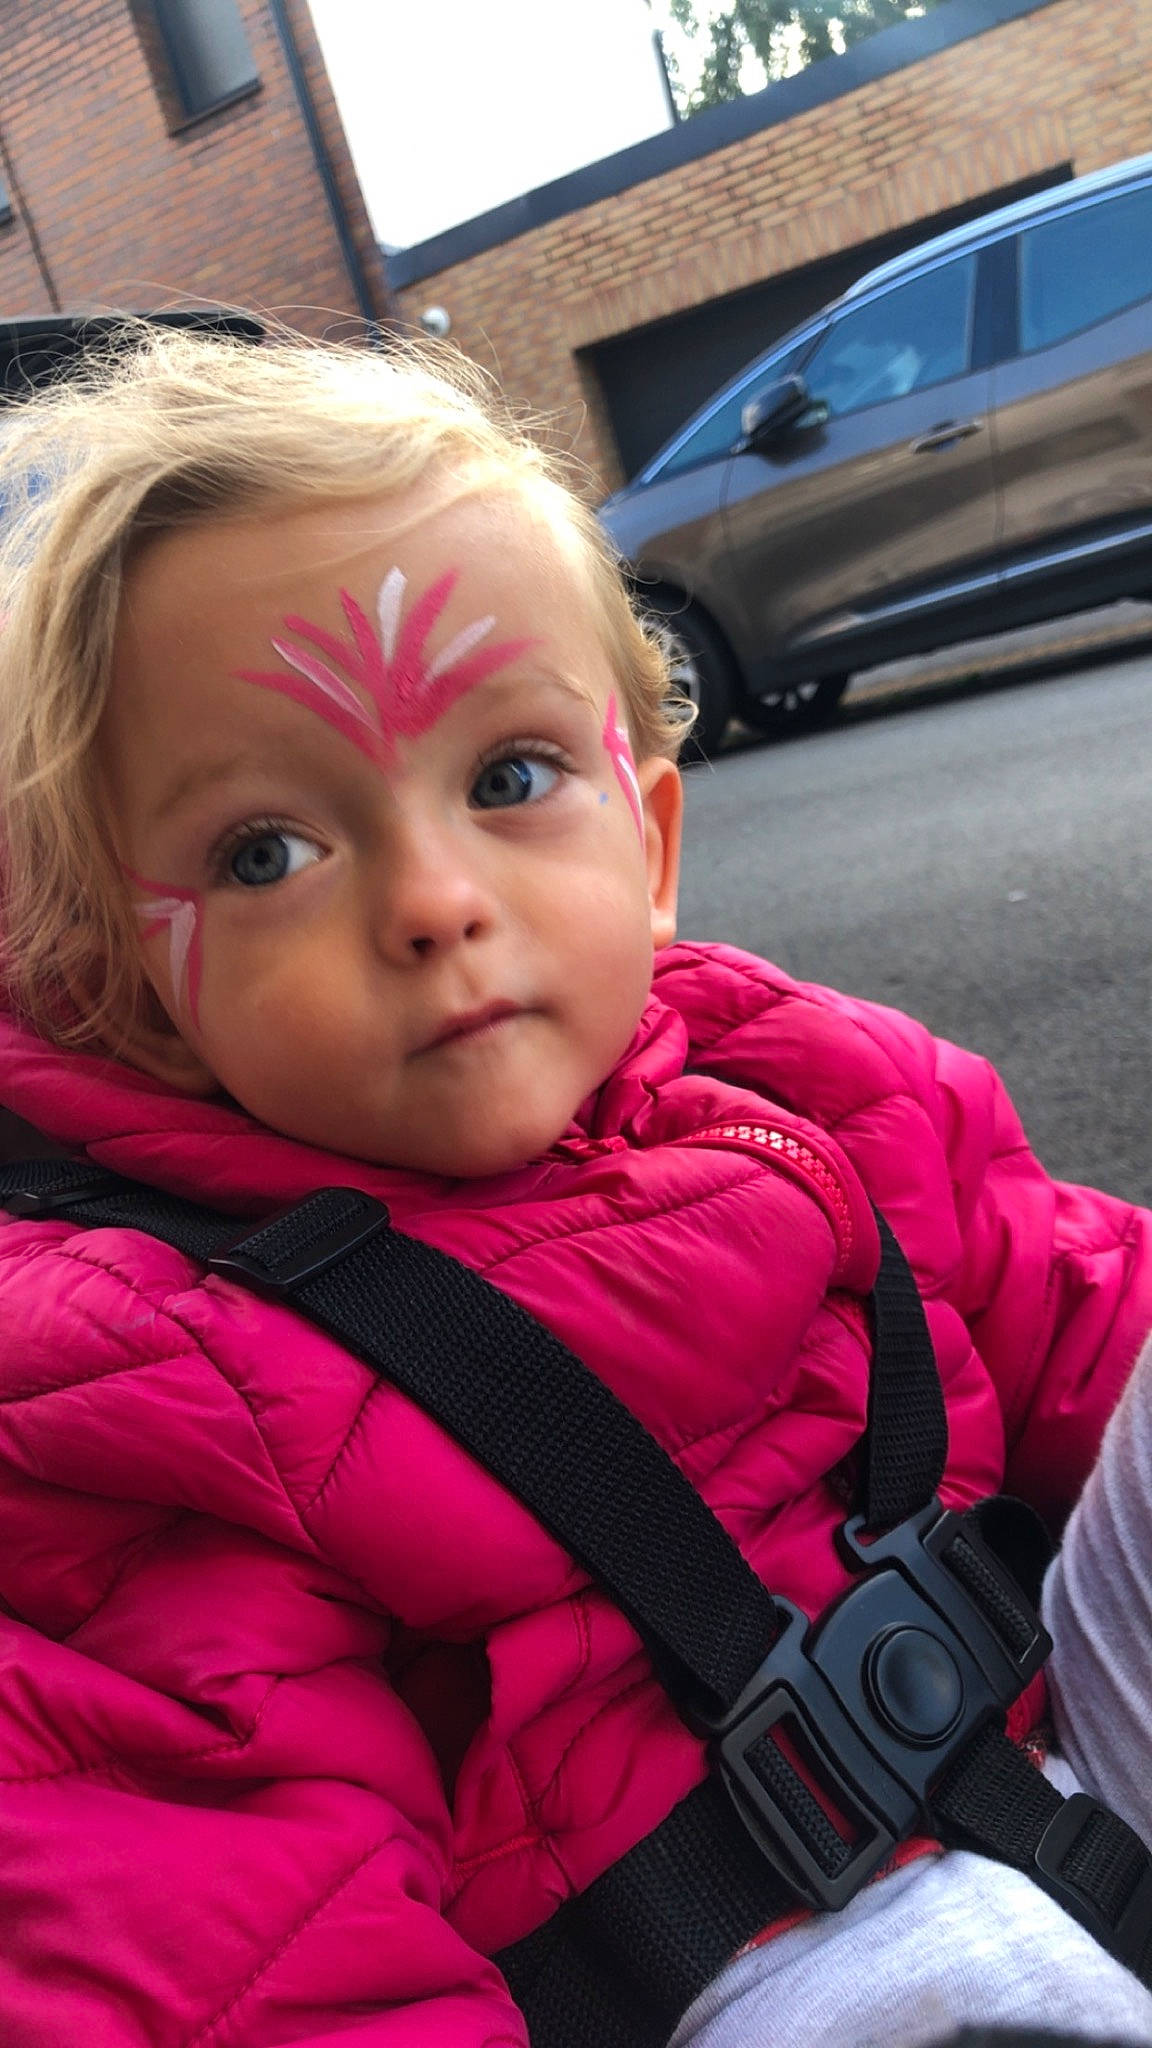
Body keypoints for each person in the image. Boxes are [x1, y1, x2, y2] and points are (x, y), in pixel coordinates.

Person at [0, 326, 1150, 2048]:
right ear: (121, 976)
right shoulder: (151, 1383)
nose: (434, 898)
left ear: (656, 839)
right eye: (267, 851)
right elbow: (249, 1953)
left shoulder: (823, 1086)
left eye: (511, 777)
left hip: (1072, 1778)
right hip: (753, 1979)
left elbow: (1088, 1317)